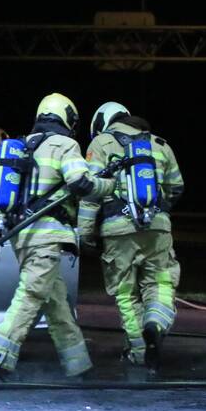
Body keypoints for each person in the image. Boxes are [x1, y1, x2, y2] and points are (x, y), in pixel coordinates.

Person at [0, 93, 115, 379]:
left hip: (22, 237)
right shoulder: (65, 145)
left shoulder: (20, 148)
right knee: (30, 295)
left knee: (57, 305)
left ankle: (78, 366)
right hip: (47, 237)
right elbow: (81, 182)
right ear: (68, 119)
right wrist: (108, 185)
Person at [78, 102, 183, 372]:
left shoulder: (101, 143)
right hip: (157, 228)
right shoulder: (160, 144)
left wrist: (86, 234)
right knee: (160, 283)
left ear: (102, 122)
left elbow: (91, 194)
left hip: (117, 230)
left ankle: (138, 352)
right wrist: (159, 214)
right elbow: (176, 187)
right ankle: (155, 326)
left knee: (125, 294)